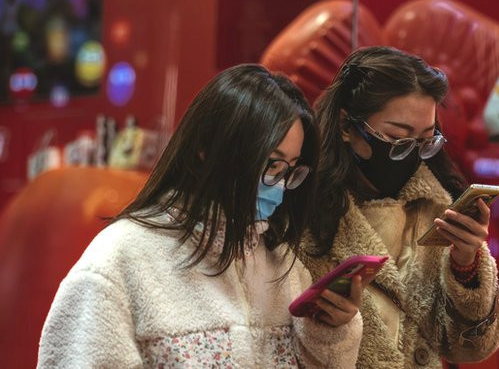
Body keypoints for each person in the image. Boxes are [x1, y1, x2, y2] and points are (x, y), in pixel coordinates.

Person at [38, 64, 363, 368]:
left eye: (290, 171)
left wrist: (329, 329)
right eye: (270, 165)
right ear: (206, 149)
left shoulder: (278, 261)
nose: (278, 188)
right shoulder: (122, 258)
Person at [301, 46, 499, 369]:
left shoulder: (437, 206)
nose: (413, 155)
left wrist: (466, 263)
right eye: (397, 139)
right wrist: (331, 328)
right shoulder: (302, 214)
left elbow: (468, 348)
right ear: (346, 126)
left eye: (427, 140)